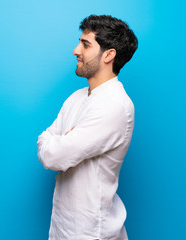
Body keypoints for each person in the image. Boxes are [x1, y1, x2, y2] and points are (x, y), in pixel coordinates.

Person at [37, 15, 138, 240]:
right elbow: (45, 140)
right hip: (63, 226)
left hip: (92, 231)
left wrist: (59, 142)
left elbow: (53, 157)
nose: (75, 50)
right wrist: (59, 142)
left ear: (109, 55)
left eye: (85, 44)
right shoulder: (77, 97)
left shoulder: (115, 105)